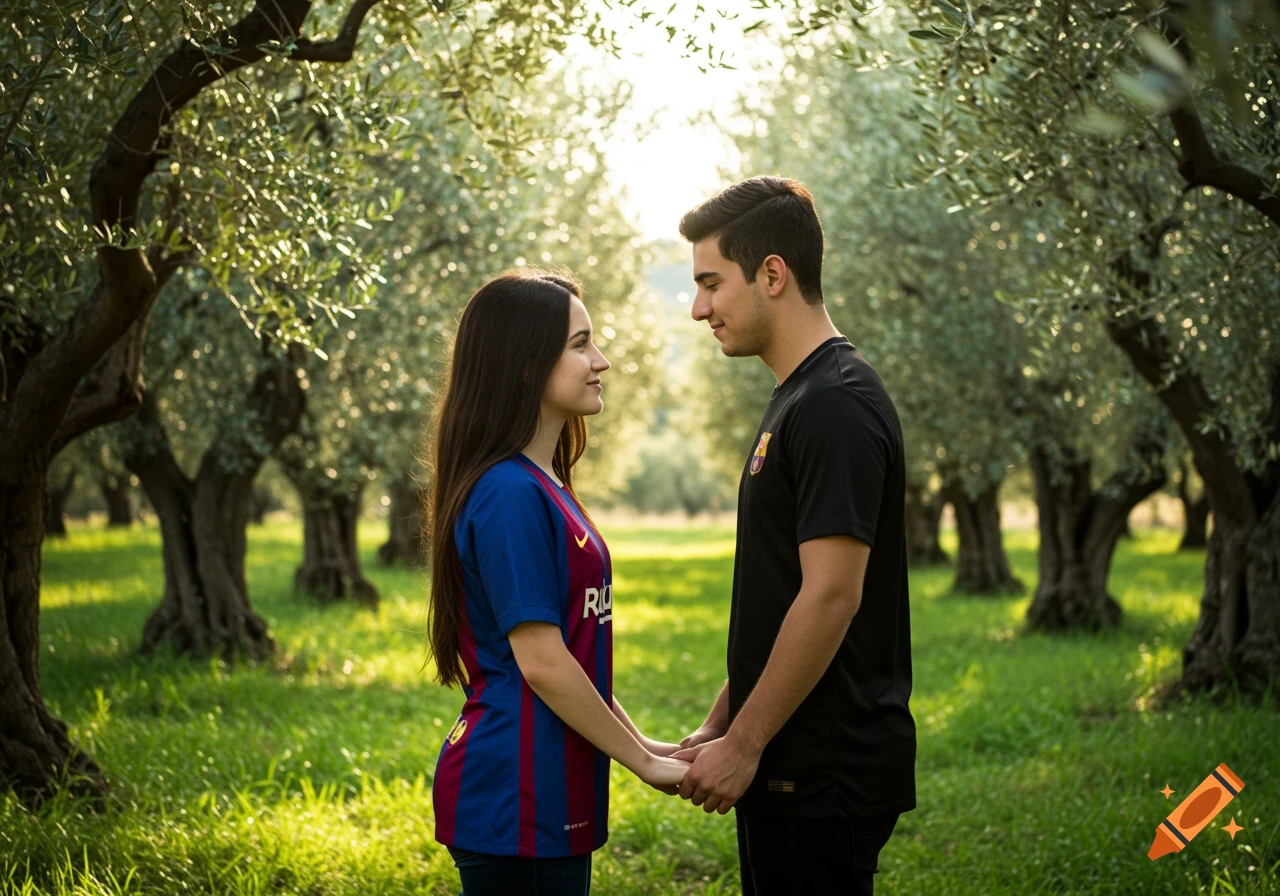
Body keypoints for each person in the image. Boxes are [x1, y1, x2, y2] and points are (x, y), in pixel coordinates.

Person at [669, 177, 917, 896]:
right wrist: (725, 720)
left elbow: (832, 595)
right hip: (791, 761)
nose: (697, 308)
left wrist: (746, 745)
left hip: (823, 770)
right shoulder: (800, 397)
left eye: (711, 283)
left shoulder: (835, 403)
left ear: (772, 274)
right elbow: (786, 594)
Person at [424, 270, 689, 896]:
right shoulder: (509, 493)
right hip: (514, 796)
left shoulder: (543, 485)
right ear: (524, 364)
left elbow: (572, 655)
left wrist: (643, 742)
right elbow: (541, 662)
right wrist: (643, 762)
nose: (602, 360)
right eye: (579, 344)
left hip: (547, 787)